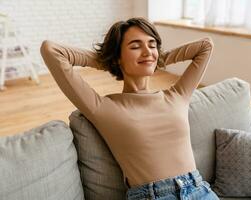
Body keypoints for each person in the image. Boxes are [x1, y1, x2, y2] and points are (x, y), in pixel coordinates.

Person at [40, 17, 219, 200]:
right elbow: (51, 50)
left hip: (200, 190)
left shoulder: (177, 96)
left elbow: (205, 46)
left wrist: (156, 58)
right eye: (135, 46)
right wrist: (109, 60)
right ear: (118, 57)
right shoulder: (103, 108)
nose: (147, 51)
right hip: (153, 196)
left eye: (152, 45)